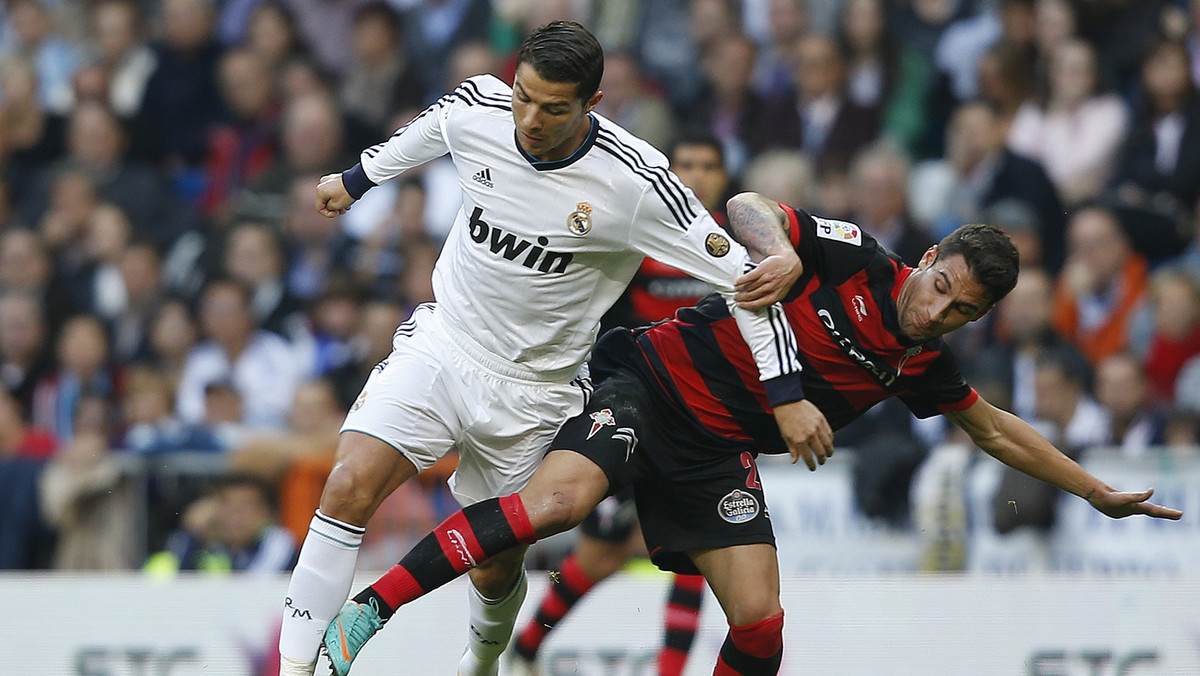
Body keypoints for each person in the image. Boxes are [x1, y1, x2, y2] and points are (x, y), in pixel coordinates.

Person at [323, 195, 1182, 676]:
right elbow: (749, 205)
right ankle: (367, 611)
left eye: (963, 310)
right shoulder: (855, 258)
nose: (939, 310)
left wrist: (1095, 490)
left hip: (713, 451)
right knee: (559, 505)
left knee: (762, 626)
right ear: (927, 258)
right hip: (650, 383)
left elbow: (997, 432)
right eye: (942, 285)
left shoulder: (922, 366)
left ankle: (524, 646)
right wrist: (778, 252)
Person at [278, 22, 804, 676]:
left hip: (538, 391)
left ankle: (485, 660)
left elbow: (744, 283)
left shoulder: (635, 184)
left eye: (553, 107)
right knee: (348, 483)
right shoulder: (484, 109)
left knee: (495, 567)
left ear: (593, 102)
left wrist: (787, 393)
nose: (529, 118)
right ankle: (296, 668)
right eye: (523, 95)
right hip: (445, 343)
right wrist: (358, 178)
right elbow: (437, 123)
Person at [512, 133, 732, 676]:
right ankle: (524, 650)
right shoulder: (638, 236)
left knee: (696, 547)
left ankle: (669, 671)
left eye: (708, 165)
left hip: (700, 420)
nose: (698, 176)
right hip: (632, 408)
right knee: (599, 555)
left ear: (723, 178)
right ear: (670, 172)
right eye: (687, 164)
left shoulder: (730, 249)